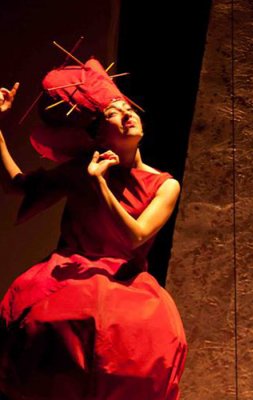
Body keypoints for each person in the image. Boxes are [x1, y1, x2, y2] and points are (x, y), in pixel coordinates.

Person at [0, 59, 187, 400]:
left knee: (147, 343)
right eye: (114, 113)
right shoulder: (80, 169)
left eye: (127, 108)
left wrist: (99, 184)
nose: (126, 114)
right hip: (68, 273)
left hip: (126, 282)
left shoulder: (165, 184)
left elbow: (136, 235)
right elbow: (18, 185)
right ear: (98, 134)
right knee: (47, 328)